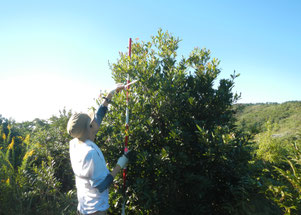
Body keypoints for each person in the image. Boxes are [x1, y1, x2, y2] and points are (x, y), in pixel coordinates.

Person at [67, 84, 128, 215]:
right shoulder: (90, 153)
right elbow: (102, 185)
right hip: (95, 211)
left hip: (83, 208)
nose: (95, 119)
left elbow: (99, 116)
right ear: (90, 127)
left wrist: (110, 95)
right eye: (92, 120)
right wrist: (119, 165)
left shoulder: (74, 143)